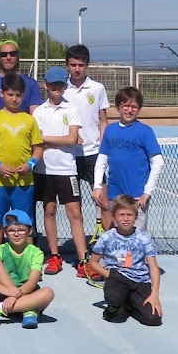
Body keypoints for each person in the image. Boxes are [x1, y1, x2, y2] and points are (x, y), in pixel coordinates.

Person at [0, 73, 44, 252]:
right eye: (10, 94)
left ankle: (27, 261)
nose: (14, 99)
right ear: (2, 94)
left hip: (23, 183)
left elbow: (38, 148)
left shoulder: (29, 120)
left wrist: (30, 164)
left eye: (18, 95)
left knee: (23, 222)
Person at [31, 66, 87, 276]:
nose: (56, 88)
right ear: (46, 85)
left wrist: (46, 140)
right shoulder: (39, 112)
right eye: (53, 84)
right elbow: (36, 141)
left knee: (75, 213)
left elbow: (72, 139)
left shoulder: (71, 109)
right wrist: (56, 141)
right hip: (44, 170)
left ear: (65, 86)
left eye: (60, 84)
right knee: (49, 210)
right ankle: (54, 256)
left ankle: (83, 260)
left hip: (67, 170)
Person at [93, 87, 163, 231]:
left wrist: (147, 192)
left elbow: (158, 162)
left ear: (139, 109)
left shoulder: (145, 131)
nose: (129, 110)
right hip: (114, 195)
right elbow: (101, 161)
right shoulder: (110, 130)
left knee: (137, 238)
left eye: (134, 107)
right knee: (117, 237)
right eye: (125, 105)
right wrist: (97, 186)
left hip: (137, 196)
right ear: (118, 107)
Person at [88, 195, 163, 326]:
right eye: (121, 214)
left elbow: (154, 268)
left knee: (153, 319)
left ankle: (130, 304)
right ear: (113, 215)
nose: (126, 218)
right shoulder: (106, 238)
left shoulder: (144, 238)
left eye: (130, 214)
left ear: (136, 216)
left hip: (140, 282)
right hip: (117, 278)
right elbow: (93, 262)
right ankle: (115, 305)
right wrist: (110, 275)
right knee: (115, 307)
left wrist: (155, 294)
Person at [0, 210, 54, 329]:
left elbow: (32, 282)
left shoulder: (36, 252)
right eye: (11, 230)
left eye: (21, 230)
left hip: (26, 292)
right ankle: (29, 309)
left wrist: (14, 297)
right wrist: (8, 291)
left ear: (29, 231)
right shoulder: (0, 250)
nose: (16, 234)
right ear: (5, 233)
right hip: (2, 293)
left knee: (48, 293)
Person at [63, 44, 109, 232]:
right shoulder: (61, 88)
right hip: (68, 156)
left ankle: (109, 243)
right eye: (73, 65)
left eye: (80, 65)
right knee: (74, 208)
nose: (76, 69)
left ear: (87, 65)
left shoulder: (97, 89)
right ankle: (80, 250)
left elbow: (103, 121)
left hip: (93, 154)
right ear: (67, 65)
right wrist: (70, 137)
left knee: (103, 201)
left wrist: (104, 149)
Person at [0, 39, 41, 123]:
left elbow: (34, 118)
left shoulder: (31, 84)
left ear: (18, 56)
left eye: (12, 54)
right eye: (3, 54)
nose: (8, 57)